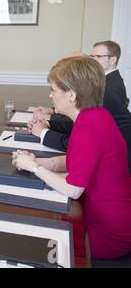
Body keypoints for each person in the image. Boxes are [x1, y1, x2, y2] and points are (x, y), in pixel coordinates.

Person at [13, 56, 131, 259]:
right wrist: (39, 161)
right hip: (107, 214)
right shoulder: (93, 115)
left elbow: (73, 190)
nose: (51, 96)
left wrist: (34, 168)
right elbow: (76, 159)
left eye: (54, 90)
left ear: (72, 95)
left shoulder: (89, 125)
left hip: (107, 230)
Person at [29, 41, 131, 173]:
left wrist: (43, 134)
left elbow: (79, 145)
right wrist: (48, 123)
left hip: (117, 168)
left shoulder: (104, 93)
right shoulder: (94, 100)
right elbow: (75, 131)